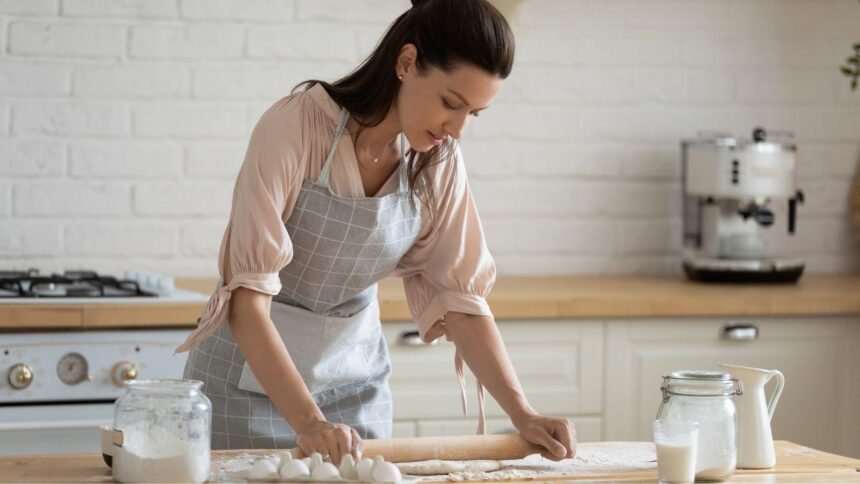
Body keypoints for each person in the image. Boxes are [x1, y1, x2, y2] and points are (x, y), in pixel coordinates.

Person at [176, 0, 575, 466]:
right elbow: (246, 301)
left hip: (353, 393)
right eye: (451, 103)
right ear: (406, 63)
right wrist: (309, 423)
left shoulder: (435, 160)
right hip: (245, 386)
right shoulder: (297, 127)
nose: (458, 129)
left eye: (474, 113)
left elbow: (462, 302)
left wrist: (523, 414)